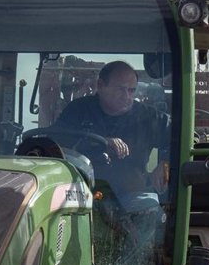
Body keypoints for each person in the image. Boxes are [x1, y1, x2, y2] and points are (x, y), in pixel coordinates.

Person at [56, 60, 170, 209]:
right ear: (101, 86)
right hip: (81, 194)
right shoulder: (77, 111)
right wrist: (101, 143)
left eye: (131, 90)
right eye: (121, 89)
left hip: (132, 197)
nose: (127, 96)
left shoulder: (147, 117)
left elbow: (185, 137)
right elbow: (56, 142)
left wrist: (166, 162)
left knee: (149, 208)